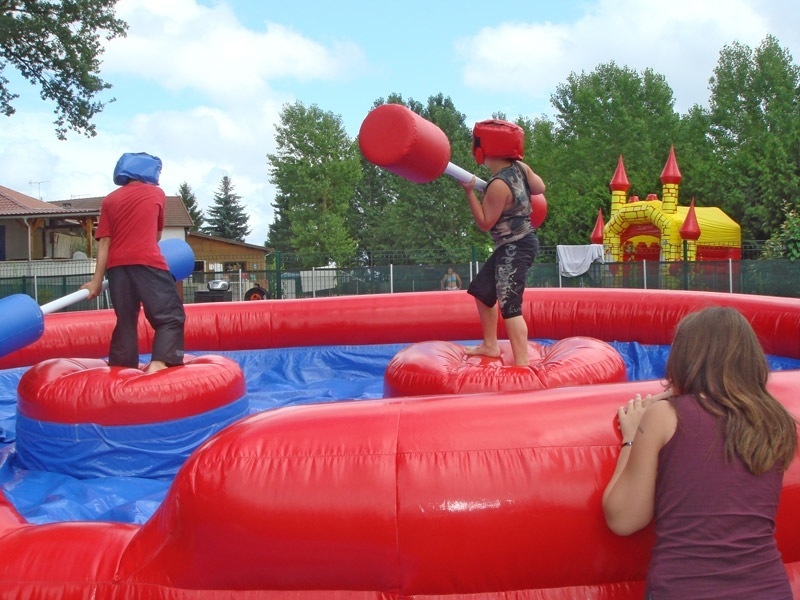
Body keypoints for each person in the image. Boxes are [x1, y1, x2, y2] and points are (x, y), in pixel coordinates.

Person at [602, 306, 797, 599]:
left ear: (684, 358)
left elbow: (624, 520)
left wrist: (631, 439)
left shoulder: (665, 417)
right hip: (768, 588)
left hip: (686, 588)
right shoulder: (778, 422)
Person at [82, 152, 185, 374]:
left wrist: (96, 281)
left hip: (117, 269)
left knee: (126, 321)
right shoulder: (156, 194)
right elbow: (156, 237)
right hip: (148, 263)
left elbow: (104, 242)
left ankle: (120, 369)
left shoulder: (110, 200)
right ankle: (159, 363)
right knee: (169, 316)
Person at [458, 119, 546, 366]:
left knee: (510, 304)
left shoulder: (497, 185)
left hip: (517, 245)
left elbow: (485, 222)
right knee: (482, 292)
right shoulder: (520, 168)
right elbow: (540, 187)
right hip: (515, 244)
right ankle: (490, 345)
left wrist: (468, 192)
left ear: (487, 149)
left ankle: (521, 363)